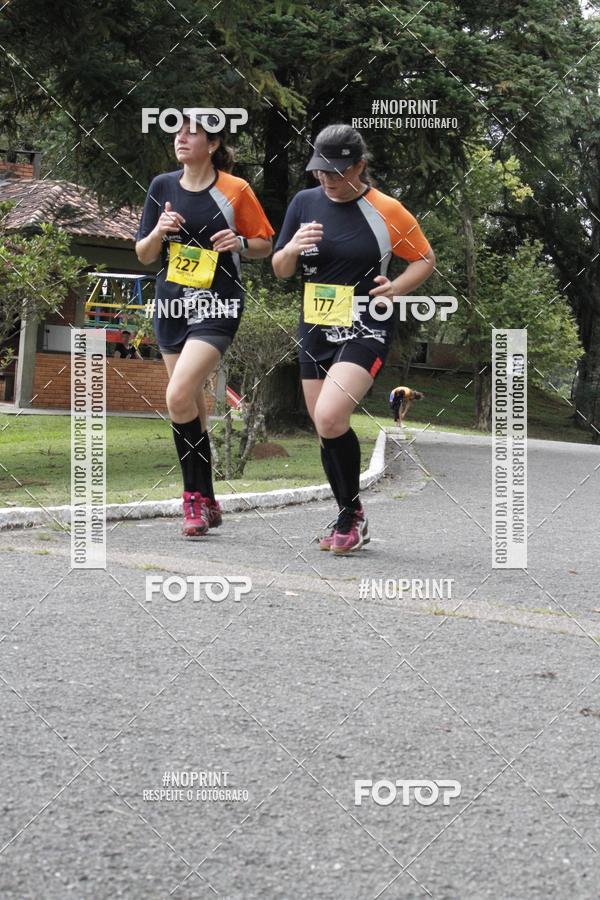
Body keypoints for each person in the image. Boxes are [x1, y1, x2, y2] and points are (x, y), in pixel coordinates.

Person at [272, 123, 435, 554]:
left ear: (359, 166)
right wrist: (291, 248)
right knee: (326, 428)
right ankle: (352, 515)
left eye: (336, 171)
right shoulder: (304, 203)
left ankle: (349, 517)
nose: (326, 179)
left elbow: (424, 258)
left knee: (330, 415)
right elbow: (280, 268)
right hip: (316, 324)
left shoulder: (387, 210)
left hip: (366, 323)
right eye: (320, 170)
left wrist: (397, 287)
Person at [136, 113, 274, 537]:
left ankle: (192, 498)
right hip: (171, 307)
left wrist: (240, 243)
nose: (181, 138)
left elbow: (266, 243)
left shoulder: (235, 190)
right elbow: (144, 254)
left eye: (191, 133)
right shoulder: (162, 186)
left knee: (178, 394)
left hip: (217, 305)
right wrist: (159, 231)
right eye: (177, 132)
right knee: (189, 406)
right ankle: (208, 499)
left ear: (213, 144)